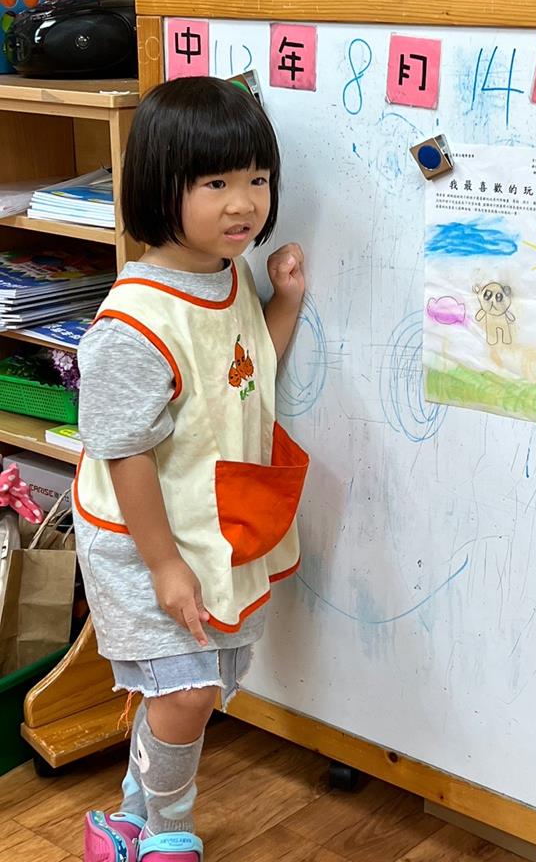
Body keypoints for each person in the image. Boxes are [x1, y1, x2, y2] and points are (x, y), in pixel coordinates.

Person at [74, 76, 309, 862]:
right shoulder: (134, 323)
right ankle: (166, 829)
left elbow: (245, 371)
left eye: (257, 179)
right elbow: (124, 451)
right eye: (215, 184)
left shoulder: (224, 273)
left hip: (208, 521)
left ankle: (127, 821)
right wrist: (164, 564)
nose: (244, 204)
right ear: (158, 186)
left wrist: (283, 302)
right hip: (142, 540)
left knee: (206, 681)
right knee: (188, 690)